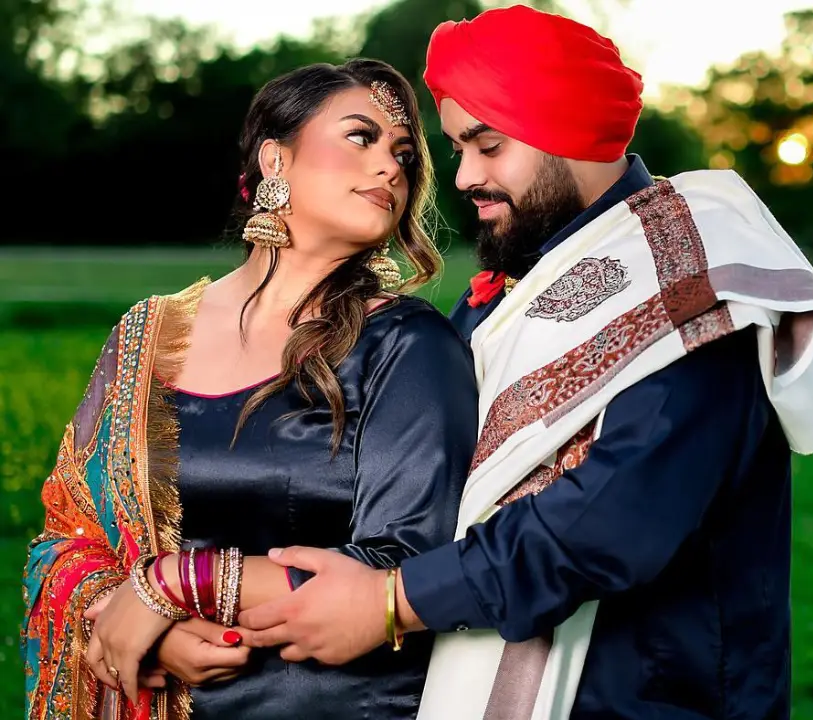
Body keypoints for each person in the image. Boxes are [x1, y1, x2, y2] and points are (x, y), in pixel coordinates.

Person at [237, 6, 813, 720]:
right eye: (456, 149)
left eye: (489, 144)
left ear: (571, 134)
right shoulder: (508, 289)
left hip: (649, 698)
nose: (464, 176)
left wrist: (391, 601)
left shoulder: (683, 280)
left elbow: (610, 523)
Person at [21, 59, 478, 720]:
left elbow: (409, 563)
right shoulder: (149, 333)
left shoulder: (409, 346)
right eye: (360, 137)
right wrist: (154, 632)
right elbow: (71, 532)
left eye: (404, 155)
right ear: (275, 160)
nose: (390, 167)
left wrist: (175, 587)